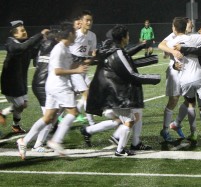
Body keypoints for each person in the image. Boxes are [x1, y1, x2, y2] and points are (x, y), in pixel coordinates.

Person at [82, 25, 160, 156]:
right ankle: (120, 148)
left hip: (114, 92)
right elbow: (130, 74)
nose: (129, 38)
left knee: (136, 114)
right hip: (116, 94)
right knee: (128, 121)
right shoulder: (117, 52)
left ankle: (132, 142)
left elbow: (126, 55)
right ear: (123, 37)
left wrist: (141, 46)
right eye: (128, 35)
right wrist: (154, 78)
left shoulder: (114, 49)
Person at [16, 21, 89, 160]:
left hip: (52, 86)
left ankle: (23, 141)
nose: (76, 35)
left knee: (48, 118)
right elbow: (58, 70)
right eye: (74, 32)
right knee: (73, 113)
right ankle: (56, 140)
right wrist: (76, 70)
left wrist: (85, 61)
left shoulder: (66, 48)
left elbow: (69, 64)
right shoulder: (59, 49)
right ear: (70, 34)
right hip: (59, 86)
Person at [0, 20, 49, 133]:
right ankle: (5, 114)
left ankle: (14, 124)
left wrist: (45, 41)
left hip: (21, 80)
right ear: (15, 34)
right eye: (21, 31)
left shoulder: (26, 43)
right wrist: (40, 35)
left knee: (24, 105)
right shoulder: (10, 42)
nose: (24, 32)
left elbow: (34, 51)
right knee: (20, 104)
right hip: (10, 82)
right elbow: (21, 48)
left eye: (24, 30)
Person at [31, 29, 59, 152]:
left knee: (50, 117)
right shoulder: (56, 48)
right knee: (49, 117)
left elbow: (35, 63)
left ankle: (39, 142)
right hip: (44, 85)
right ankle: (36, 144)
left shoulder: (43, 46)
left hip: (38, 83)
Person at [69, 10, 97, 126]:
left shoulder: (92, 35)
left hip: (84, 68)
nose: (89, 22)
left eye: (90, 20)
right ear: (81, 21)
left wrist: (93, 54)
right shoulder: (75, 35)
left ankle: (60, 117)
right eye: (87, 20)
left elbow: (90, 51)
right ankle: (91, 124)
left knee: (75, 95)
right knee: (87, 94)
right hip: (74, 69)